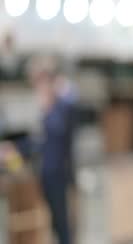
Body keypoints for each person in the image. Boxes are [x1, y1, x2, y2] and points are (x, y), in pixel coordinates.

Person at [27, 56, 76, 244]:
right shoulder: (48, 106)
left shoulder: (63, 102)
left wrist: (50, 104)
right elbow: (40, 139)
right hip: (46, 171)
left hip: (60, 173)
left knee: (63, 224)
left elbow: (60, 130)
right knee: (54, 223)